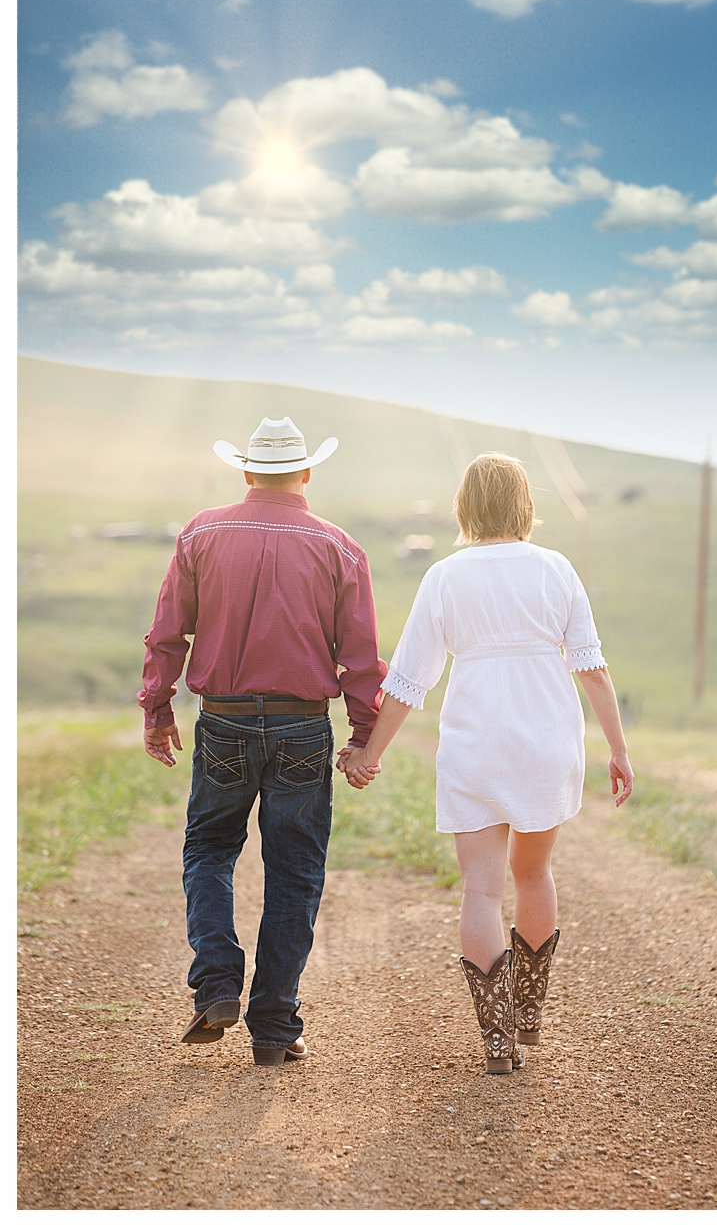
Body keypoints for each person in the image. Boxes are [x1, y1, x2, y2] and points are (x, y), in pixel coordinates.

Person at [342, 452, 633, 1075]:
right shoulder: (556, 569)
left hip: (477, 743)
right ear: (525, 505)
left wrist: (370, 752)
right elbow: (592, 666)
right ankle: (529, 1015)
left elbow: (407, 680)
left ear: (465, 507)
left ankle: (496, 1041)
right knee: (534, 874)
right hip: (547, 741)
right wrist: (618, 748)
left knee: (481, 888)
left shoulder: (446, 577)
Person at [141, 416, 385, 1066]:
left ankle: (217, 982)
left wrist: (157, 707)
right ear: (306, 474)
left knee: (210, 850)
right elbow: (360, 658)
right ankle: (274, 1028)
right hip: (303, 725)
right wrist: (365, 736)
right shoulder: (340, 548)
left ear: (247, 472)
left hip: (221, 720)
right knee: (296, 871)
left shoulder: (201, 533)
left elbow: (168, 633)